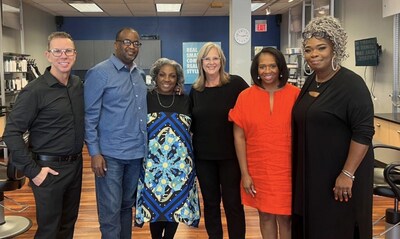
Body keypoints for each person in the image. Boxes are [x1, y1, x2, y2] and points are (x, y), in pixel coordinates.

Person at [291, 16, 375, 239]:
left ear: (335, 48)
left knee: (337, 228)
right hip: (313, 176)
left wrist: (347, 174)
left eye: (321, 48)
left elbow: (364, 132)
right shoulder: (312, 81)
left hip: (340, 177)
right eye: (308, 50)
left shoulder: (352, 85)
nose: (314, 54)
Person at [3, 31, 83, 239]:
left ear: (75, 54)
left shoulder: (77, 85)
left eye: (68, 51)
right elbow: (11, 133)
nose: (63, 56)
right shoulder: (34, 91)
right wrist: (34, 172)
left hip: (75, 166)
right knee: (49, 230)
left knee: (67, 226)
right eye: (57, 51)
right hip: (48, 170)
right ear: (48, 55)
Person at [229, 47, 300, 239]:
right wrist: (245, 173)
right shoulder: (245, 97)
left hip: (287, 171)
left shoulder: (296, 94)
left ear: (280, 68)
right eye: (262, 67)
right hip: (258, 169)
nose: (267, 71)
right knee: (265, 215)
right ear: (256, 69)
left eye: (272, 66)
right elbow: (239, 137)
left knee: (286, 218)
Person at [84, 27, 147, 238]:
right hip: (110, 156)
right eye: (127, 42)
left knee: (126, 206)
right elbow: (89, 116)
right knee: (110, 210)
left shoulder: (140, 75)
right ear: (116, 44)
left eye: (136, 43)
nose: (132, 47)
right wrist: (94, 153)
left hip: (136, 154)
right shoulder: (99, 73)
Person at [135, 58, 200, 239]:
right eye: (162, 75)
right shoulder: (146, 99)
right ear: (155, 76)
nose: (167, 79)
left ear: (178, 79)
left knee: (175, 206)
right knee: (154, 207)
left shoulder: (186, 100)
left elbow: (194, 128)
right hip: (153, 165)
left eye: (172, 76)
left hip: (178, 166)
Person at [189, 42, 248, 239]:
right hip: (204, 158)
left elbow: (252, 108)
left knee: (232, 203)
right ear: (201, 62)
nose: (212, 62)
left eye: (216, 58)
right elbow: (188, 122)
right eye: (207, 58)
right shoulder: (196, 90)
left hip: (231, 156)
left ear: (222, 61)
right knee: (211, 203)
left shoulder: (236, 84)